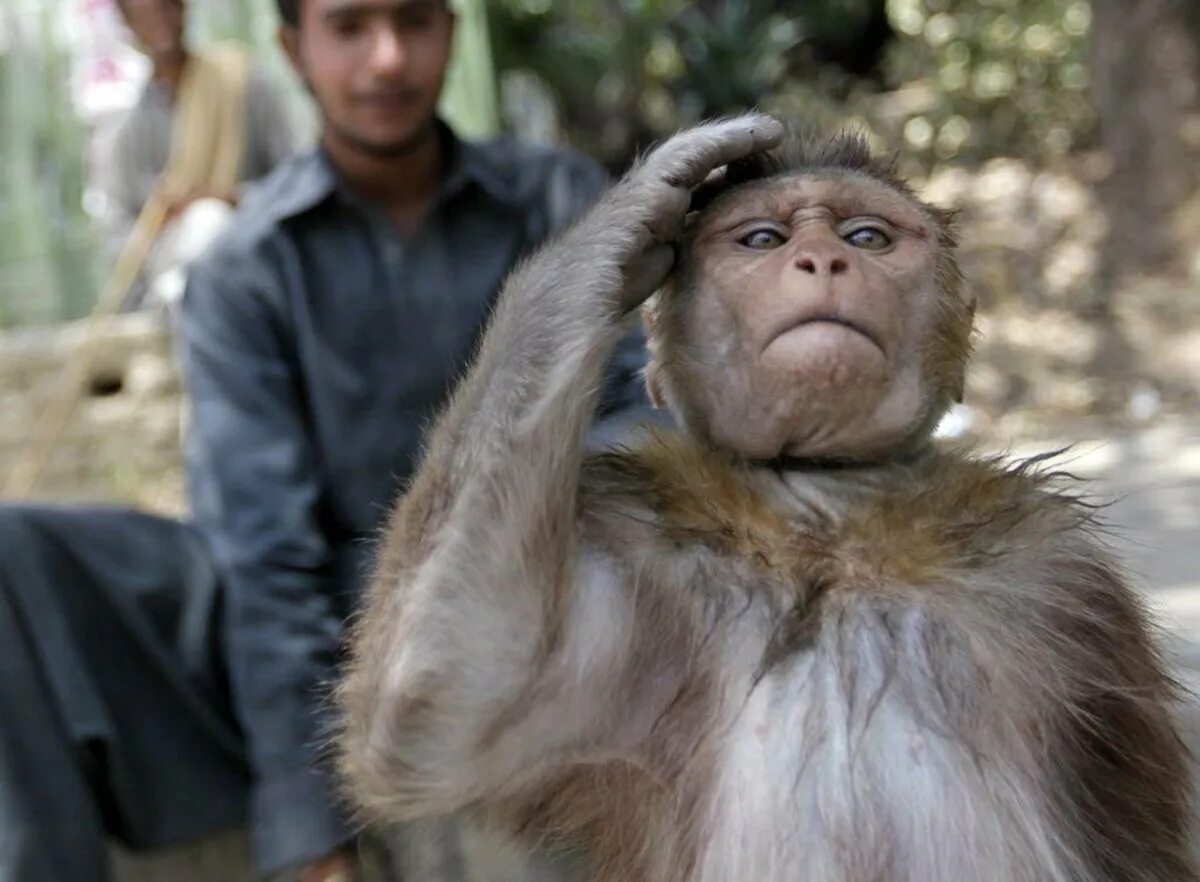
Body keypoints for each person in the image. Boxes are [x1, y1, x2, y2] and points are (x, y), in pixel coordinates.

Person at [0, 1, 648, 881]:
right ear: (293, 47)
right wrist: (309, 821)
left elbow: (638, 435)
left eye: (414, 22)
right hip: (329, 618)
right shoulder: (245, 271)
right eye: (348, 26)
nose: (386, 59)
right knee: (19, 555)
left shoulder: (557, 203)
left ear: (450, 34)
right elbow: (263, 548)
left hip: (538, 598)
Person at [94, 0, 298, 309]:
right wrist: (164, 219)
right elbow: (122, 241)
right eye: (144, 8)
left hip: (258, 276)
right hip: (172, 294)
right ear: (126, 18)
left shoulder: (243, 84)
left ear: (184, 6)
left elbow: (296, 185)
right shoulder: (127, 136)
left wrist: (227, 199)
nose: (159, 15)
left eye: (166, 5)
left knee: (208, 220)